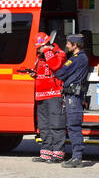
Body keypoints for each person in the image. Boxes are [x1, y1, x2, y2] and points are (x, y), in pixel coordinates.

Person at [55, 33, 91, 168]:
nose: (66, 45)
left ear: (75, 45)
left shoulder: (76, 59)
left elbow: (61, 73)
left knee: (73, 126)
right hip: (73, 96)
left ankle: (77, 158)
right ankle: (76, 157)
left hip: (73, 98)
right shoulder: (80, 58)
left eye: (68, 43)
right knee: (73, 126)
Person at [30, 32, 66, 163]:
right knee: (43, 125)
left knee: (56, 124)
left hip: (54, 94)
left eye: (39, 47)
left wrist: (47, 52)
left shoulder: (59, 53)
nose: (38, 50)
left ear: (46, 45)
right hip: (40, 95)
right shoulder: (39, 57)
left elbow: (56, 65)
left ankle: (58, 154)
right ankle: (46, 153)